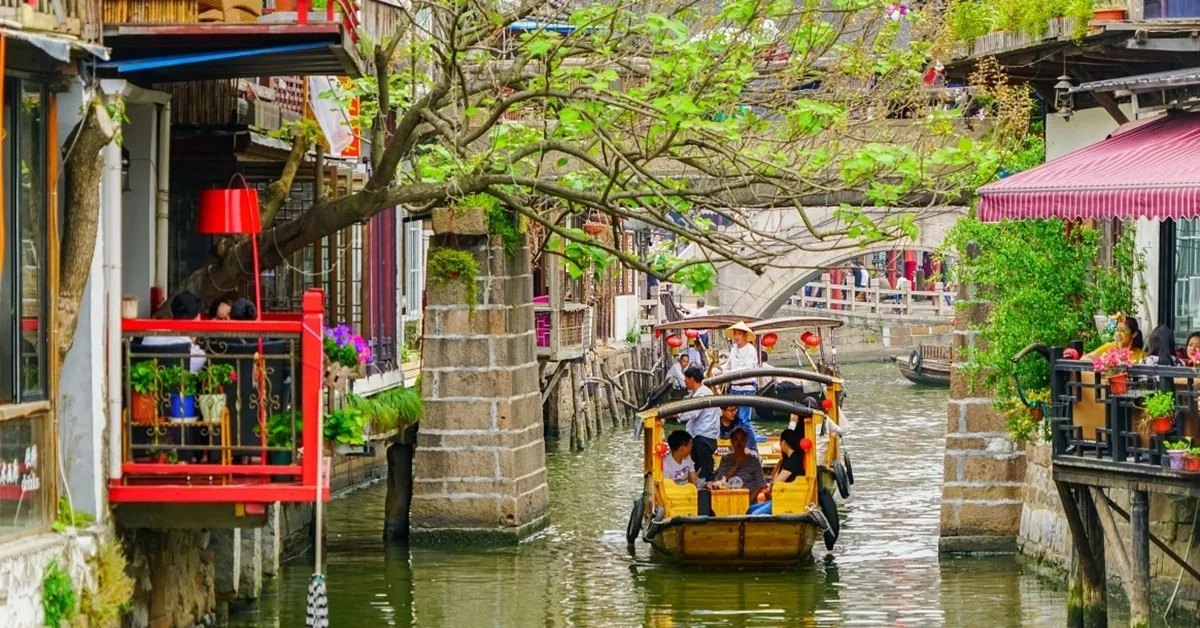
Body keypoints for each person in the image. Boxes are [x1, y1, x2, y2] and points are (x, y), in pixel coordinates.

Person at [141, 291, 207, 373]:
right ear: (195, 317)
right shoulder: (197, 355)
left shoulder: (151, 333)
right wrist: (192, 340)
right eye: (199, 316)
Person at [749, 429, 806, 516]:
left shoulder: (794, 460)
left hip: (787, 499)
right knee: (750, 509)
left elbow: (776, 482)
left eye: (780, 442)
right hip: (781, 497)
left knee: (754, 514)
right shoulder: (788, 459)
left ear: (784, 442)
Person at [678, 366, 719, 480]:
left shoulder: (703, 394)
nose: (685, 382)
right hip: (699, 437)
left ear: (692, 379)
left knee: (707, 471)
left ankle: (708, 488)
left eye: (686, 379)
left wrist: (676, 414)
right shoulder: (700, 393)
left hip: (704, 438)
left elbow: (692, 412)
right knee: (696, 469)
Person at [724, 321, 760, 451]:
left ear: (745, 335)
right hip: (735, 388)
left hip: (747, 388)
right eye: (735, 334)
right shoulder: (734, 349)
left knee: (744, 420)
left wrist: (730, 372)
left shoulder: (750, 349)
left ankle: (753, 448)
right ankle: (739, 448)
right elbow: (728, 365)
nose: (736, 337)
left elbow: (748, 367)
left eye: (739, 334)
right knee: (736, 420)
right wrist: (718, 370)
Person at [714, 426, 767, 498]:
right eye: (736, 439)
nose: (739, 443)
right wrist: (735, 467)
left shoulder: (754, 459)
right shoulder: (725, 459)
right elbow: (720, 481)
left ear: (746, 441)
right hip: (728, 497)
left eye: (742, 439)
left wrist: (749, 501)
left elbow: (761, 484)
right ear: (731, 441)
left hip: (748, 497)